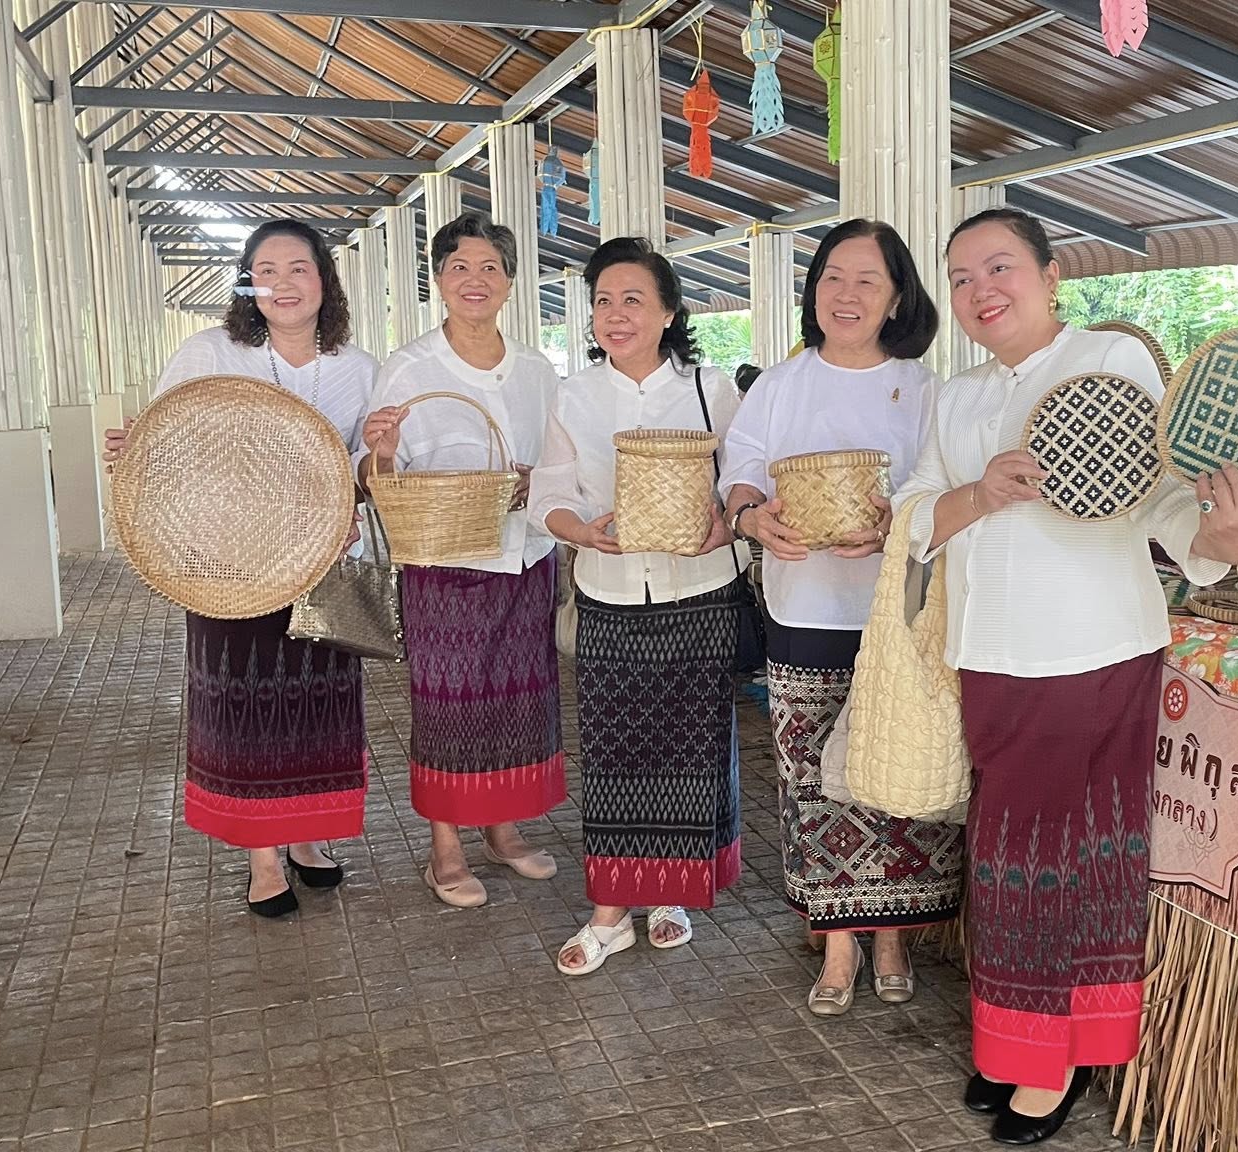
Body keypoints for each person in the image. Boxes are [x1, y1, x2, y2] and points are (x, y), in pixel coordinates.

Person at [895, 207, 1238, 1144]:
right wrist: (983, 490)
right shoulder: (957, 397)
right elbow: (916, 517)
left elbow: (1166, 498)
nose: (984, 291)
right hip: (992, 654)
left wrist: (1221, 536)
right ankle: (1028, 1042)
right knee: (1012, 856)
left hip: (1094, 649)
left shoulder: (1109, 361)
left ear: (1052, 275)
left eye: (1002, 267)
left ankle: (1047, 1059)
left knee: (1066, 855)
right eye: (964, 276)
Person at [719, 218, 963, 1016]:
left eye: (867, 280)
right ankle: (835, 941)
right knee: (811, 774)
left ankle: (892, 935)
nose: (846, 293)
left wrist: (900, 520)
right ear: (813, 289)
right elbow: (743, 469)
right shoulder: (780, 384)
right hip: (805, 607)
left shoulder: (927, 391)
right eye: (832, 276)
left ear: (897, 297)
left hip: (899, 612)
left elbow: (942, 485)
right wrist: (753, 518)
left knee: (897, 762)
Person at [101, 219, 375, 918]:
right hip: (226, 560)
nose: (282, 284)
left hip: (321, 559)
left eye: (298, 268)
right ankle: (262, 855)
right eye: (266, 270)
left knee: (318, 701)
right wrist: (136, 445)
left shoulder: (357, 367)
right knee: (246, 702)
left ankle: (309, 837)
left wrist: (371, 462)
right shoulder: (209, 351)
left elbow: (363, 470)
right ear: (248, 282)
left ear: (324, 280)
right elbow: (166, 439)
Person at [528, 237, 745, 976]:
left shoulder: (713, 389)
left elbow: (745, 488)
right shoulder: (575, 395)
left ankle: (671, 896)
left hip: (701, 591)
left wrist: (727, 521)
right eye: (601, 301)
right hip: (611, 592)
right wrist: (580, 532)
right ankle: (611, 911)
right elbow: (548, 496)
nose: (614, 315)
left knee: (691, 751)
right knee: (619, 751)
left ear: (669, 310)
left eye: (632, 300)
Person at [358, 212, 564, 908]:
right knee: (449, 704)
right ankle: (445, 848)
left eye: (490, 268)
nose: (474, 281)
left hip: (525, 558)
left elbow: (561, 462)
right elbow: (376, 471)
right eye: (459, 267)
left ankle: (501, 830)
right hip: (444, 561)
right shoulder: (411, 367)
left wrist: (545, 481)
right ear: (438, 279)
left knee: (517, 699)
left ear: (509, 281)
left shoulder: (537, 369)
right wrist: (380, 449)